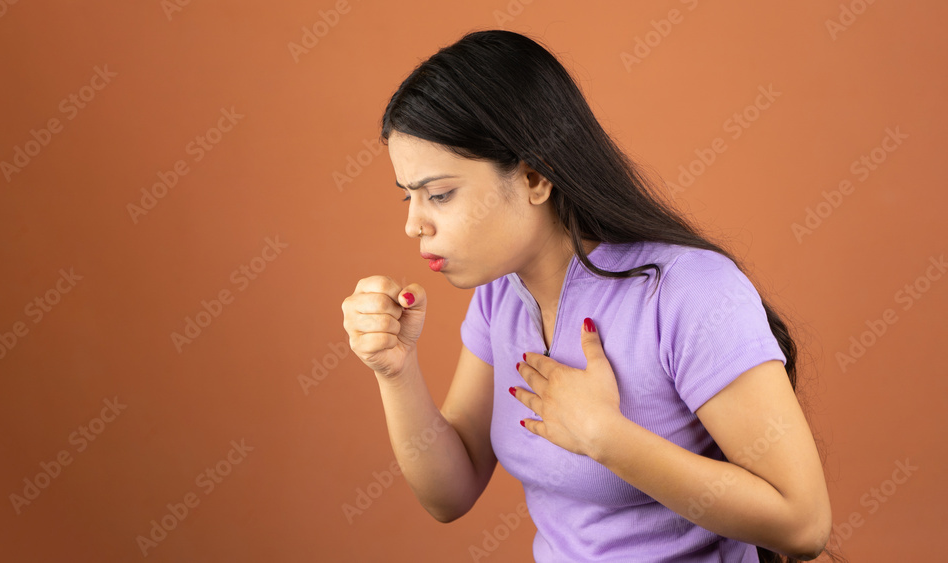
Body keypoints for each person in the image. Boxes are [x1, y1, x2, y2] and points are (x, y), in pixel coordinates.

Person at [341, 29, 844, 563]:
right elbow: (450, 493)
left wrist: (606, 437)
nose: (413, 224)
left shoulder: (686, 291)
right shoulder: (500, 296)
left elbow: (804, 523)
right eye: (408, 197)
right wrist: (394, 371)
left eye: (439, 194)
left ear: (535, 177)